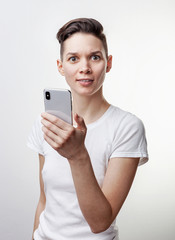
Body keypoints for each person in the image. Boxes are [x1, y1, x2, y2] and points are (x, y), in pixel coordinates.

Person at [27, 18, 148, 240]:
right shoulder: (45, 123)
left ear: (108, 63)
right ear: (61, 66)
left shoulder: (127, 127)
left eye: (94, 57)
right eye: (73, 58)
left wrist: (78, 155)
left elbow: (100, 222)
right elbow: (44, 200)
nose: (85, 68)